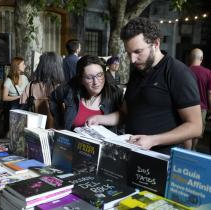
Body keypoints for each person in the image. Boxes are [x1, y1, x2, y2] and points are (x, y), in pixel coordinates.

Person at [86, 17, 202, 154]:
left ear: (156, 43)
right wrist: (100, 119)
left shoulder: (178, 73)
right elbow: (124, 113)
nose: (132, 60)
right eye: (129, 53)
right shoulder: (137, 72)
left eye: (138, 52)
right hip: (132, 152)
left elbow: (195, 127)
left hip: (162, 158)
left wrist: (153, 140)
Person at [50, 55, 123, 131]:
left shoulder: (115, 93)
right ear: (81, 79)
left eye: (99, 75)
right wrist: (60, 125)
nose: (96, 82)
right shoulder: (70, 89)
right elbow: (53, 98)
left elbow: (124, 117)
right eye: (89, 77)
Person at [20, 51, 64, 128]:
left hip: (34, 128)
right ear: (57, 67)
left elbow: (22, 106)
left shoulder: (30, 85)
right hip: (55, 129)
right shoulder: (60, 88)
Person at [188, 48, 211, 150]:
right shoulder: (208, 73)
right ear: (202, 58)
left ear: (190, 57)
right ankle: (192, 149)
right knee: (197, 130)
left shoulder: (184, 70)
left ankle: (185, 150)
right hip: (201, 108)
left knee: (186, 127)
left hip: (185, 106)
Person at [2, 56, 29, 133]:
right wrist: (19, 97)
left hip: (23, 104)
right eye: (23, 64)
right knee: (15, 107)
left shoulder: (24, 78)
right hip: (14, 105)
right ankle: (14, 131)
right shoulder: (9, 80)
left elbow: (27, 92)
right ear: (17, 65)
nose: (25, 66)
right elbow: (4, 97)